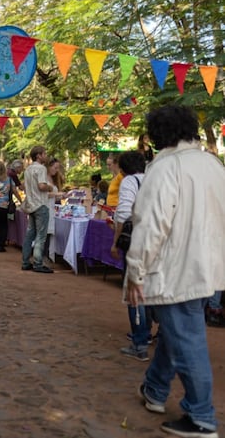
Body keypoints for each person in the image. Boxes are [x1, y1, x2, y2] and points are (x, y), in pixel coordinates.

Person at [127, 105, 225, 437]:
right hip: (208, 270)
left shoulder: (164, 168)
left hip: (176, 269)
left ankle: (201, 417)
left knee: (187, 341)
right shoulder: (213, 164)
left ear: (156, 135)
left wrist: (135, 271)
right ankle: (155, 390)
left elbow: (151, 226)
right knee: (175, 334)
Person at [108, 151, 149, 361]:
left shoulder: (129, 182)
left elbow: (123, 214)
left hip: (137, 241)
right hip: (158, 241)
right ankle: (149, 333)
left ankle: (140, 342)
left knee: (135, 288)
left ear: (123, 168)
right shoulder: (154, 178)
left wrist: (115, 242)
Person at [21, 145, 56, 273]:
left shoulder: (28, 169)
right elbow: (42, 186)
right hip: (41, 204)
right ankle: (37, 263)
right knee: (41, 236)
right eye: (44, 154)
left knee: (29, 235)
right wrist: (50, 187)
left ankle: (25, 261)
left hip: (31, 205)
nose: (45, 156)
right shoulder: (41, 169)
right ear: (38, 155)